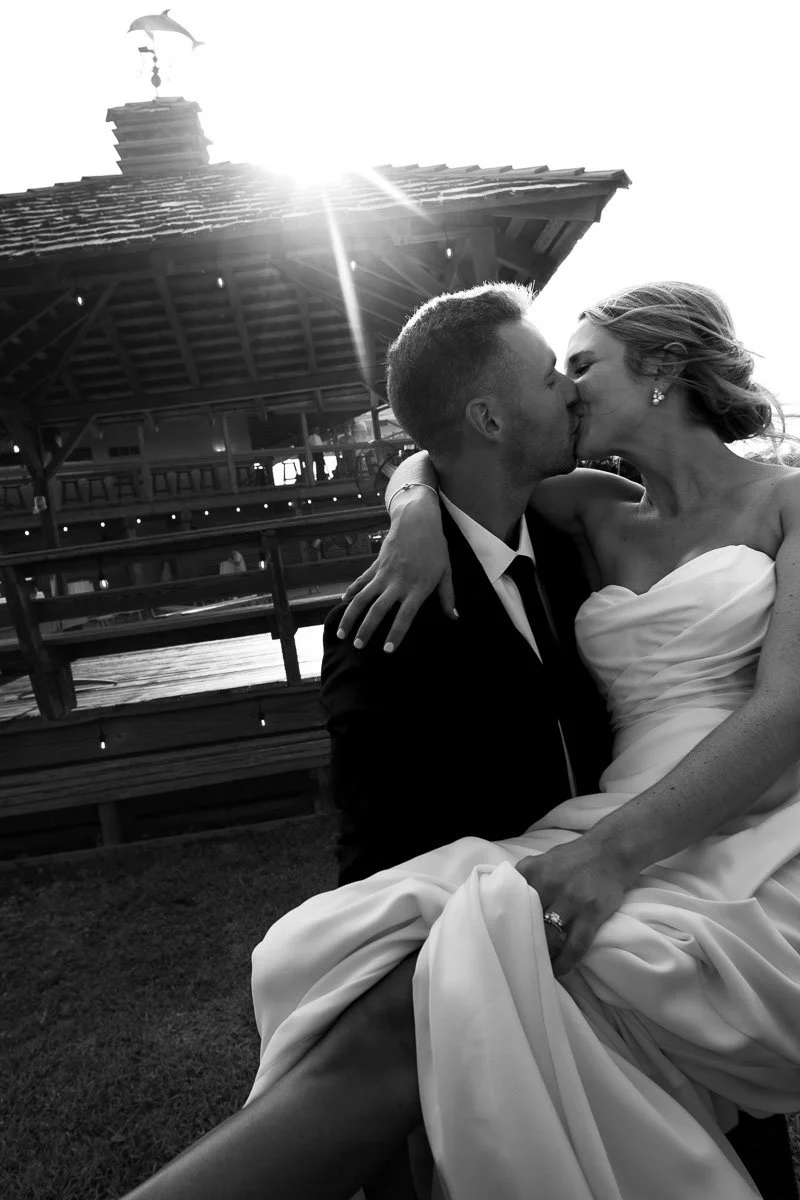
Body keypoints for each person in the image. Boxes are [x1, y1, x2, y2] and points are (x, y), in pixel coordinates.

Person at [117, 282, 800, 1200]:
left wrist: (611, 853)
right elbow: (454, 452)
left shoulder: (787, 503)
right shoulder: (594, 508)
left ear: (664, 372)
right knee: (387, 976)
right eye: (554, 371)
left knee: (439, 1000)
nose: (567, 387)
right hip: (599, 821)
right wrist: (412, 511)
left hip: (745, 830)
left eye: (581, 364)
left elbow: (788, 708)